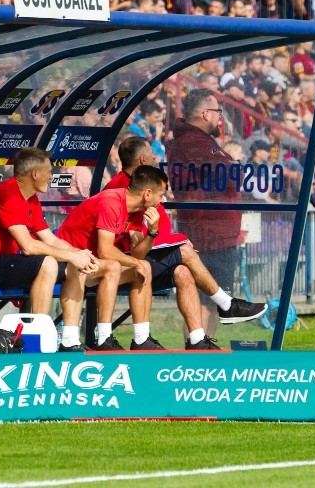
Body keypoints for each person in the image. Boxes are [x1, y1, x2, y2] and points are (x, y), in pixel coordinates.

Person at [105, 136, 266, 349]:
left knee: (183, 272)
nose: (155, 156)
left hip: (151, 254)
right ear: (143, 160)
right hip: (132, 260)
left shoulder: (142, 185)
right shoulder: (123, 191)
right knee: (185, 252)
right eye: (151, 153)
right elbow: (132, 239)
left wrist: (172, 242)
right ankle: (227, 305)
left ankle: (197, 340)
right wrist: (177, 242)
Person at [169, 88, 264, 340]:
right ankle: (197, 351)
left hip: (211, 231)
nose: (220, 118)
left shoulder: (196, 142)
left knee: (211, 299)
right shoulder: (194, 143)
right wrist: (233, 168)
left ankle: (204, 348)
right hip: (208, 233)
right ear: (205, 113)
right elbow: (231, 177)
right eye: (218, 112)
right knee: (204, 298)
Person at [0, 147, 99, 351]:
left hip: (13, 262)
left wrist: (80, 255)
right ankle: (37, 339)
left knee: (76, 267)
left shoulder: (31, 198)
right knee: (48, 263)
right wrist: (71, 256)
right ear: (35, 174)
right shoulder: (6, 193)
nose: (51, 176)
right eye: (48, 171)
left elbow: (51, 240)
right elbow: (27, 246)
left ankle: (70, 340)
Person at [55, 166, 168, 350]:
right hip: (69, 260)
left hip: (92, 262)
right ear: (147, 194)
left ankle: (141, 339)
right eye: (161, 194)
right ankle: (103, 338)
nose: (162, 200)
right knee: (114, 266)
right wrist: (134, 262)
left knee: (144, 267)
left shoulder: (138, 210)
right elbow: (106, 251)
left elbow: (138, 254)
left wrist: (152, 232)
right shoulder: (112, 202)